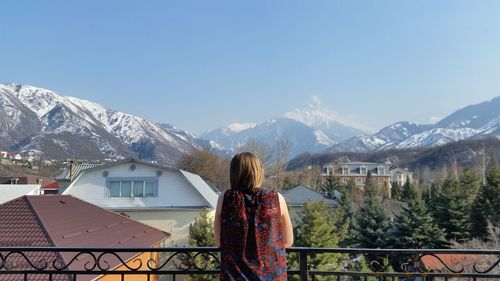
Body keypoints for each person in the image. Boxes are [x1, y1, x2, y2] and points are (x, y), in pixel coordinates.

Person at [214, 152, 293, 281]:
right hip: (271, 276)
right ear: (258, 172)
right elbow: (288, 241)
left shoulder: (225, 198)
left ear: (234, 173)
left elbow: (219, 241)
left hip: (234, 276)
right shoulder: (276, 199)